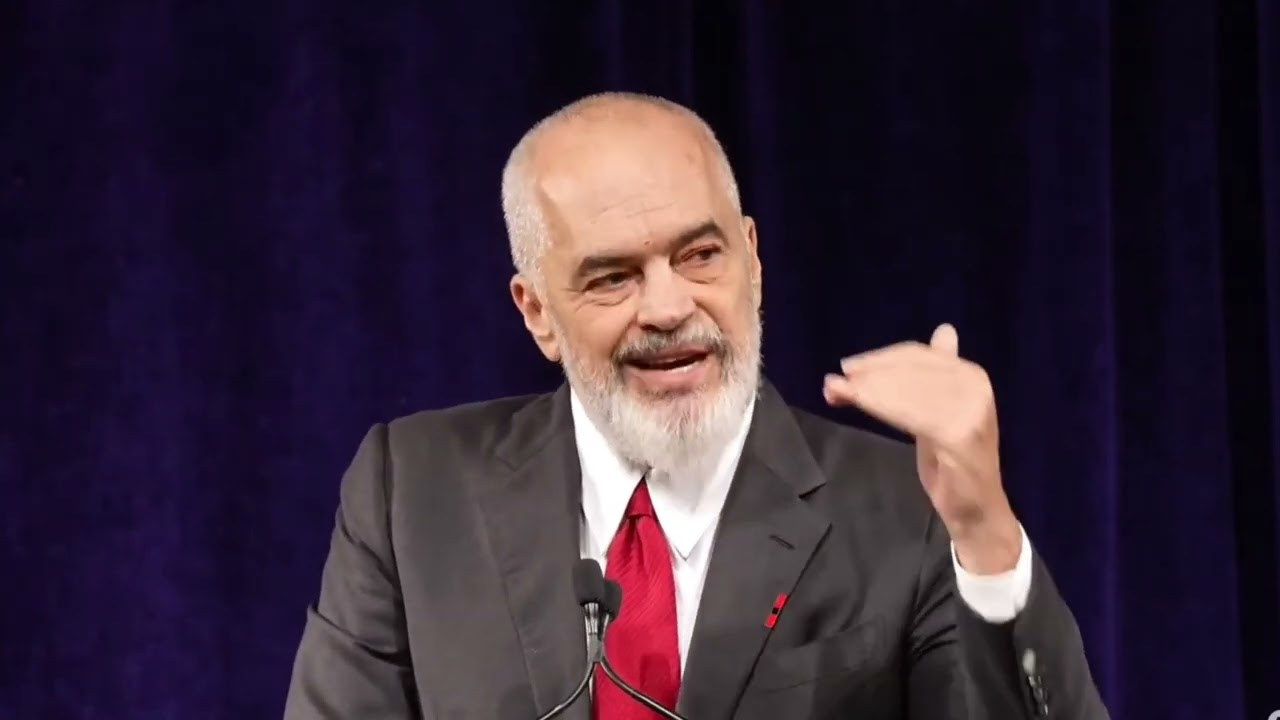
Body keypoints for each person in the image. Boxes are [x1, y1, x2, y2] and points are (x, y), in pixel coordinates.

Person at [283, 92, 1109, 719]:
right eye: (613, 277)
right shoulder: (412, 493)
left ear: (752, 259)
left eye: (700, 255)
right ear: (537, 312)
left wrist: (985, 534)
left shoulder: (907, 510)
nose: (669, 306)